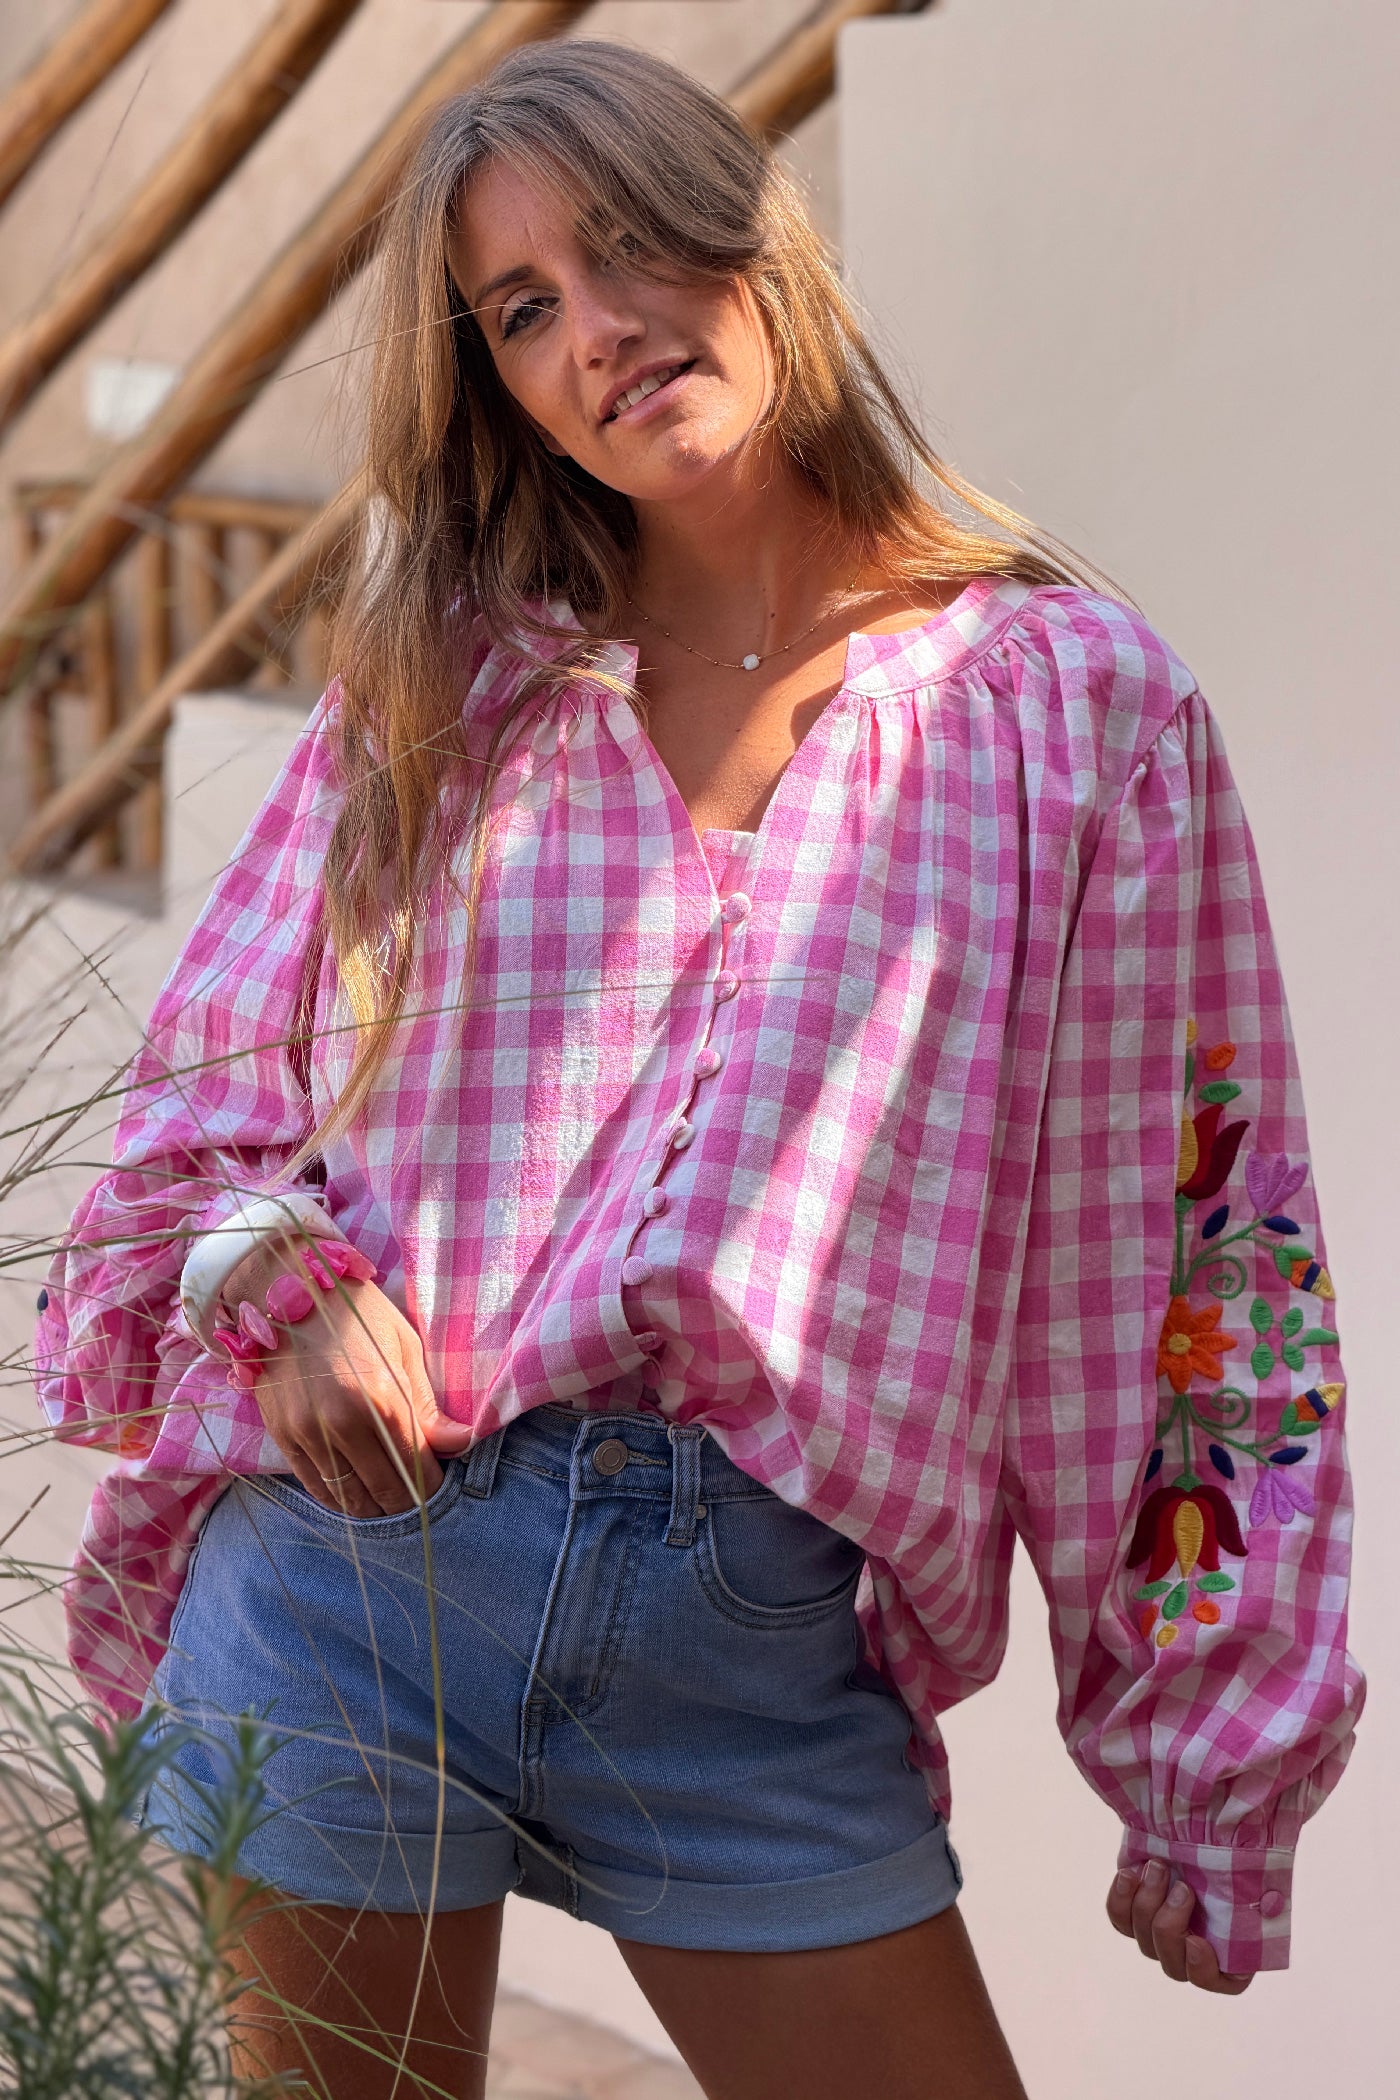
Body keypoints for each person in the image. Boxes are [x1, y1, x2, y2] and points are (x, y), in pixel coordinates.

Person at [35, 38, 1363, 2100]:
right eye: (521, 310)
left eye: (634, 244)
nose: (600, 331)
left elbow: (1196, 1263)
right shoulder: (454, 670)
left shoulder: (1069, 715)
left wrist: (1204, 1748)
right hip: (345, 1584)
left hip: (749, 1641)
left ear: (759, 239)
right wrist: (270, 1293)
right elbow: (212, 1099)